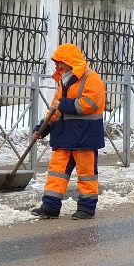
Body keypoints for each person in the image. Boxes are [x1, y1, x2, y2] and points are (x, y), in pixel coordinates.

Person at [30, 43, 107, 220]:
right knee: (56, 172)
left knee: (86, 174)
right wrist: (44, 127)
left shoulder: (91, 78)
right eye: (57, 63)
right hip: (63, 135)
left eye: (60, 62)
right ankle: (50, 206)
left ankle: (86, 208)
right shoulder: (63, 80)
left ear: (70, 61)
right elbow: (54, 109)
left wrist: (64, 105)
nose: (58, 66)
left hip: (84, 136)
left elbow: (91, 103)